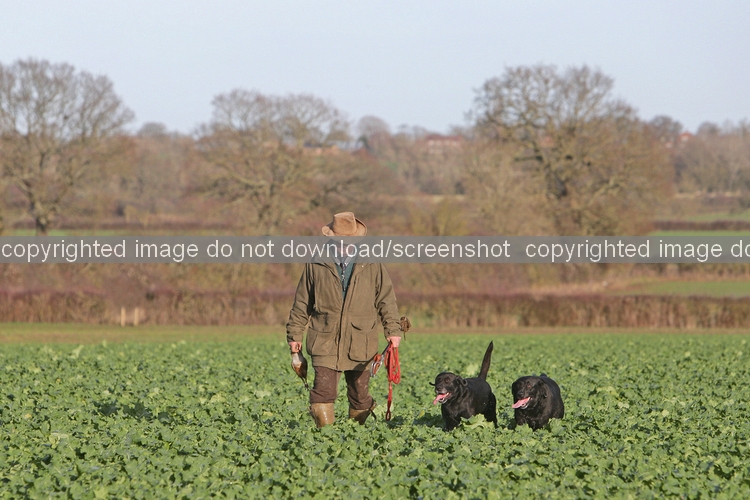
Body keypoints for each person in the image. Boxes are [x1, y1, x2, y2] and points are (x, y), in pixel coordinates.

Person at [286, 212, 404, 427]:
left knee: (360, 395)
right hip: (324, 338)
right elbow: (302, 302)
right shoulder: (316, 263)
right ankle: (325, 439)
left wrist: (393, 330)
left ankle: (355, 437)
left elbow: (386, 300)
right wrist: (294, 335)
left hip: (361, 340)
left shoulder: (372, 264)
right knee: (322, 392)